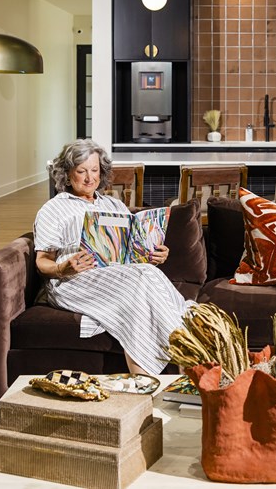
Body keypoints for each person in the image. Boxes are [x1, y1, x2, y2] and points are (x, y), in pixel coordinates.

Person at [34, 139, 193, 375]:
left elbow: (131, 255)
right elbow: (42, 261)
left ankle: (146, 378)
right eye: (81, 171)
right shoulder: (53, 209)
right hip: (74, 280)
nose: (89, 178)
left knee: (146, 274)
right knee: (143, 277)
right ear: (67, 174)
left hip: (120, 276)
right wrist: (62, 268)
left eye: (94, 170)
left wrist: (152, 255)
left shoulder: (114, 205)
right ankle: (188, 355)